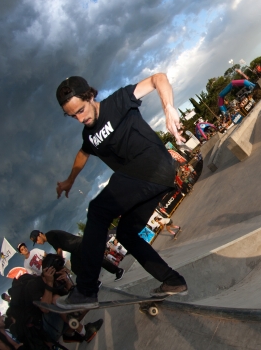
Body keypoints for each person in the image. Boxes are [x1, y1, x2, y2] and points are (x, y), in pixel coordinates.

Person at [53, 74, 188, 310]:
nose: (80, 118)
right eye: (73, 115)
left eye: (82, 110)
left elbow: (159, 79)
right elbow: (83, 154)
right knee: (126, 233)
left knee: (97, 211)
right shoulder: (89, 136)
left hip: (152, 165)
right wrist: (69, 180)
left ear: (91, 95)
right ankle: (173, 281)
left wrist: (168, 108)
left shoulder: (119, 100)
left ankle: (86, 291)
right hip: (149, 181)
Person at [6, 253, 102, 346]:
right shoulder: (34, 285)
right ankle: (84, 332)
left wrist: (67, 282)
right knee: (55, 299)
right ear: (47, 270)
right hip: (46, 331)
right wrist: (49, 283)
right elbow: (45, 308)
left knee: (88, 300)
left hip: (61, 322)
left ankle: (69, 332)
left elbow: (76, 299)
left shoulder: (57, 279)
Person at [30, 230, 124, 282]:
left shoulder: (49, 236)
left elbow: (59, 249)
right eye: (35, 242)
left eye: (36, 240)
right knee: (75, 268)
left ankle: (118, 271)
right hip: (75, 249)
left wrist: (59, 263)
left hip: (78, 245)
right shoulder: (50, 236)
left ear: (40, 234)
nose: (38, 242)